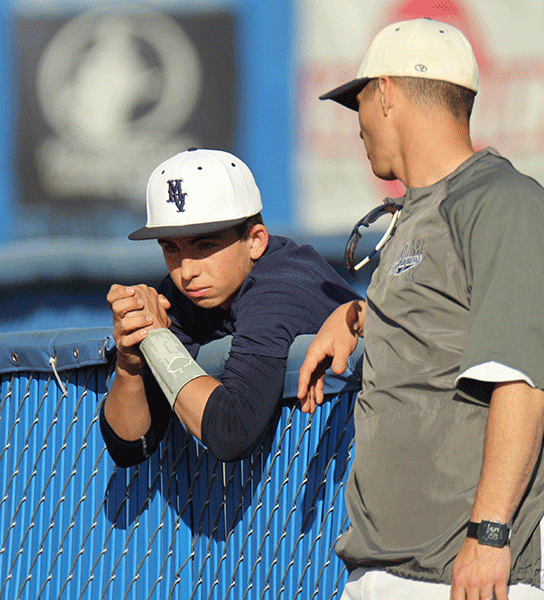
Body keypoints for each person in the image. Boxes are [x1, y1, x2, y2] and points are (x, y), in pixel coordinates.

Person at [297, 18, 544, 600]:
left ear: (385, 94)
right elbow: (440, 318)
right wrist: (358, 317)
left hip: (472, 574)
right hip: (387, 570)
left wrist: (488, 534)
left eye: (357, 103)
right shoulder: (419, 213)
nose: (356, 126)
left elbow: (523, 380)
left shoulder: (507, 206)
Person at [99, 148, 359, 465]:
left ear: (255, 241)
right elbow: (129, 448)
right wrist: (131, 361)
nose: (187, 270)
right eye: (171, 248)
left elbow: (231, 432)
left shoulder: (280, 286)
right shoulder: (185, 294)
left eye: (206, 244)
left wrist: (160, 340)